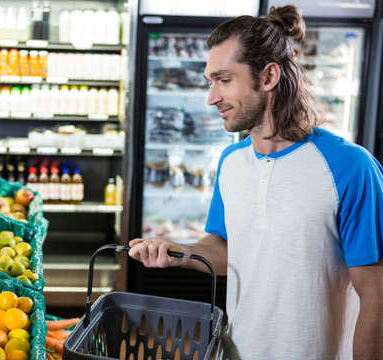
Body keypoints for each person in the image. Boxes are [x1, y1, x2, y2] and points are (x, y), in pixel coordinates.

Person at [128, 5, 383, 360]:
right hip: (237, 350)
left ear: (268, 77)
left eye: (224, 80)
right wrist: (178, 253)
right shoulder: (231, 163)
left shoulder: (350, 167)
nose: (211, 98)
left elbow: (376, 296)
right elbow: (228, 250)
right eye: (210, 82)